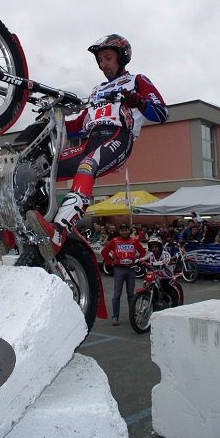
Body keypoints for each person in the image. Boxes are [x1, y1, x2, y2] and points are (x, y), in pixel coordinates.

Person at [26, 35, 168, 258]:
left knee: (87, 164)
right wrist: (53, 118)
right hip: (90, 141)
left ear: (121, 58)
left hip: (119, 136)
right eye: (100, 60)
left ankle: (60, 231)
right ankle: (17, 225)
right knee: (40, 170)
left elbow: (161, 113)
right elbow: (79, 125)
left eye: (108, 58)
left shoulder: (136, 80)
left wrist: (137, 100)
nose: (103, 65)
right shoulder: (96, 90)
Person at [101, 223, 146, 326]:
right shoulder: (114, 241)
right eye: (122, 230)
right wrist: (110, 262)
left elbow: (143, 252)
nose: (124, 232)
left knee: (131, 294)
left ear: (129, 231)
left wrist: (137, 259)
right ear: (120, 231)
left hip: (131, 270)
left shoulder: (134, 241)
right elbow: (104, 252)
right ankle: (115, 316)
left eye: (126, 230)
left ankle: (132, 315)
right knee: (117, 294)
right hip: (119, 270)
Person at [145, 237, 180, 307]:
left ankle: (176, 306)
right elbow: (142, 259)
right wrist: (137, 260)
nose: (154, 249)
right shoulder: (151, 255)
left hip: (168, 278)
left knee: (173, 293)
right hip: (157, 278)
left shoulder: (165, 254)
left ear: (160, 247)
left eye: (156, 247)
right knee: (148, 287)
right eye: (152, 247)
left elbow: (166, 261)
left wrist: (160, 263)